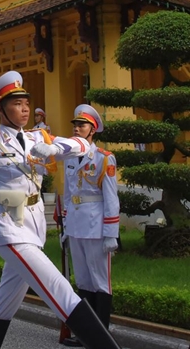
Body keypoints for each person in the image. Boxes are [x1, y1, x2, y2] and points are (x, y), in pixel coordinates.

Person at [0, 71, 120, 349]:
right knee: (61, 290)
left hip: (34, 226)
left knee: (5, 303)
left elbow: (83, 143)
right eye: (16, 103)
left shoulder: (40, 136)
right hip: (9, 228)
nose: (24, 108)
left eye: (26, 102)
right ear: (0, 109)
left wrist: (54, 148)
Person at [60, 104, 120, 347]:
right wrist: (65, 227)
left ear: (92, 131)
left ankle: (101, 336)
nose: (76, 128)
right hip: (75, 226)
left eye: (81, 125)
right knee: (83, 281)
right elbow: (67, 194)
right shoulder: (70, 158)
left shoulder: (105, 158)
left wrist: (110, 233)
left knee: (100, 282)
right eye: (75, 125)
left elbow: (111, 198)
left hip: (96, 228)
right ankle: (85, 335)